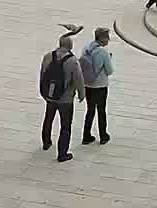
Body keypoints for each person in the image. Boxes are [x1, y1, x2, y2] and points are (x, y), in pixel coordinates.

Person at [38, 26, 87, 162]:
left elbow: (42, 75)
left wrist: (43, 92)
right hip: (65, 99)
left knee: (48, 118)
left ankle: (46, 142)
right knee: (65, 125)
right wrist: (81, 94)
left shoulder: (48, 56)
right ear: (70, 46)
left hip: (50, 95)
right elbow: (78, 79)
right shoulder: (72, 61)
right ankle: (62, 153)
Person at [80, 27, 114, 145]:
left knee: (90, 110)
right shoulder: (103, 52)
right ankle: (103, 136)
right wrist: (109, 59)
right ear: (102, 38)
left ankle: (86, 135)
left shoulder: (86, 49)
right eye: (107, 37)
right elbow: (109, 71)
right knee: (101, 111)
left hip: (88, 85)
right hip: (100, 86)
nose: (109, 39)